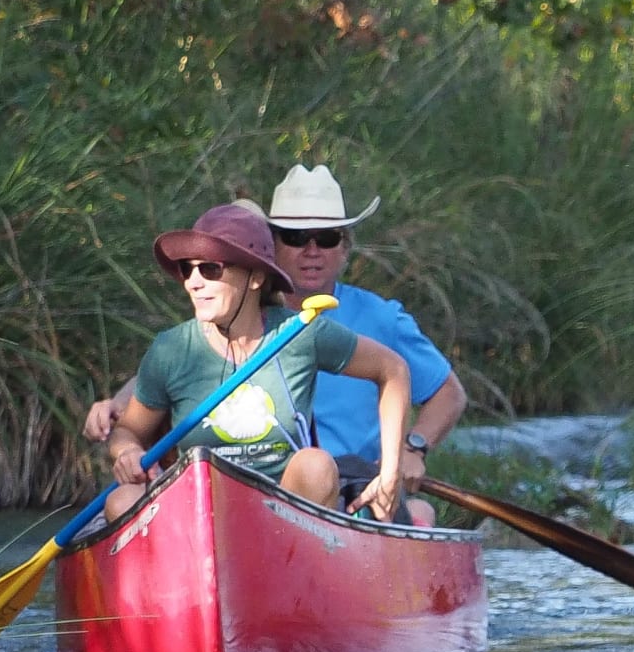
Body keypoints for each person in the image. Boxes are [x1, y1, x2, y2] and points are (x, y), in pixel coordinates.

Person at [104, 202, 410, 523]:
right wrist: (126, 452)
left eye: (210, 269)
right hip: (199, 514)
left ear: (254, 278)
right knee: (123, 500)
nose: (193, 282)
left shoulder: (300, 332)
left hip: (285, 515)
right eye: (187, 269)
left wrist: (390, 472)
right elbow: (127, 430)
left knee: (316, 464)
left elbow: (393, 370)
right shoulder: (171, 348)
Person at [264, 164, 467, 516]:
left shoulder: (381, 318)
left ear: (344, 248)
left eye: (326, 238)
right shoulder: (246, 317)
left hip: (356, 490)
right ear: (272, 245)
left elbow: (448, 393)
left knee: (419, 514)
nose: (312, 250)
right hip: (265, 484)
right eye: (296, 237)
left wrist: (412, 448)